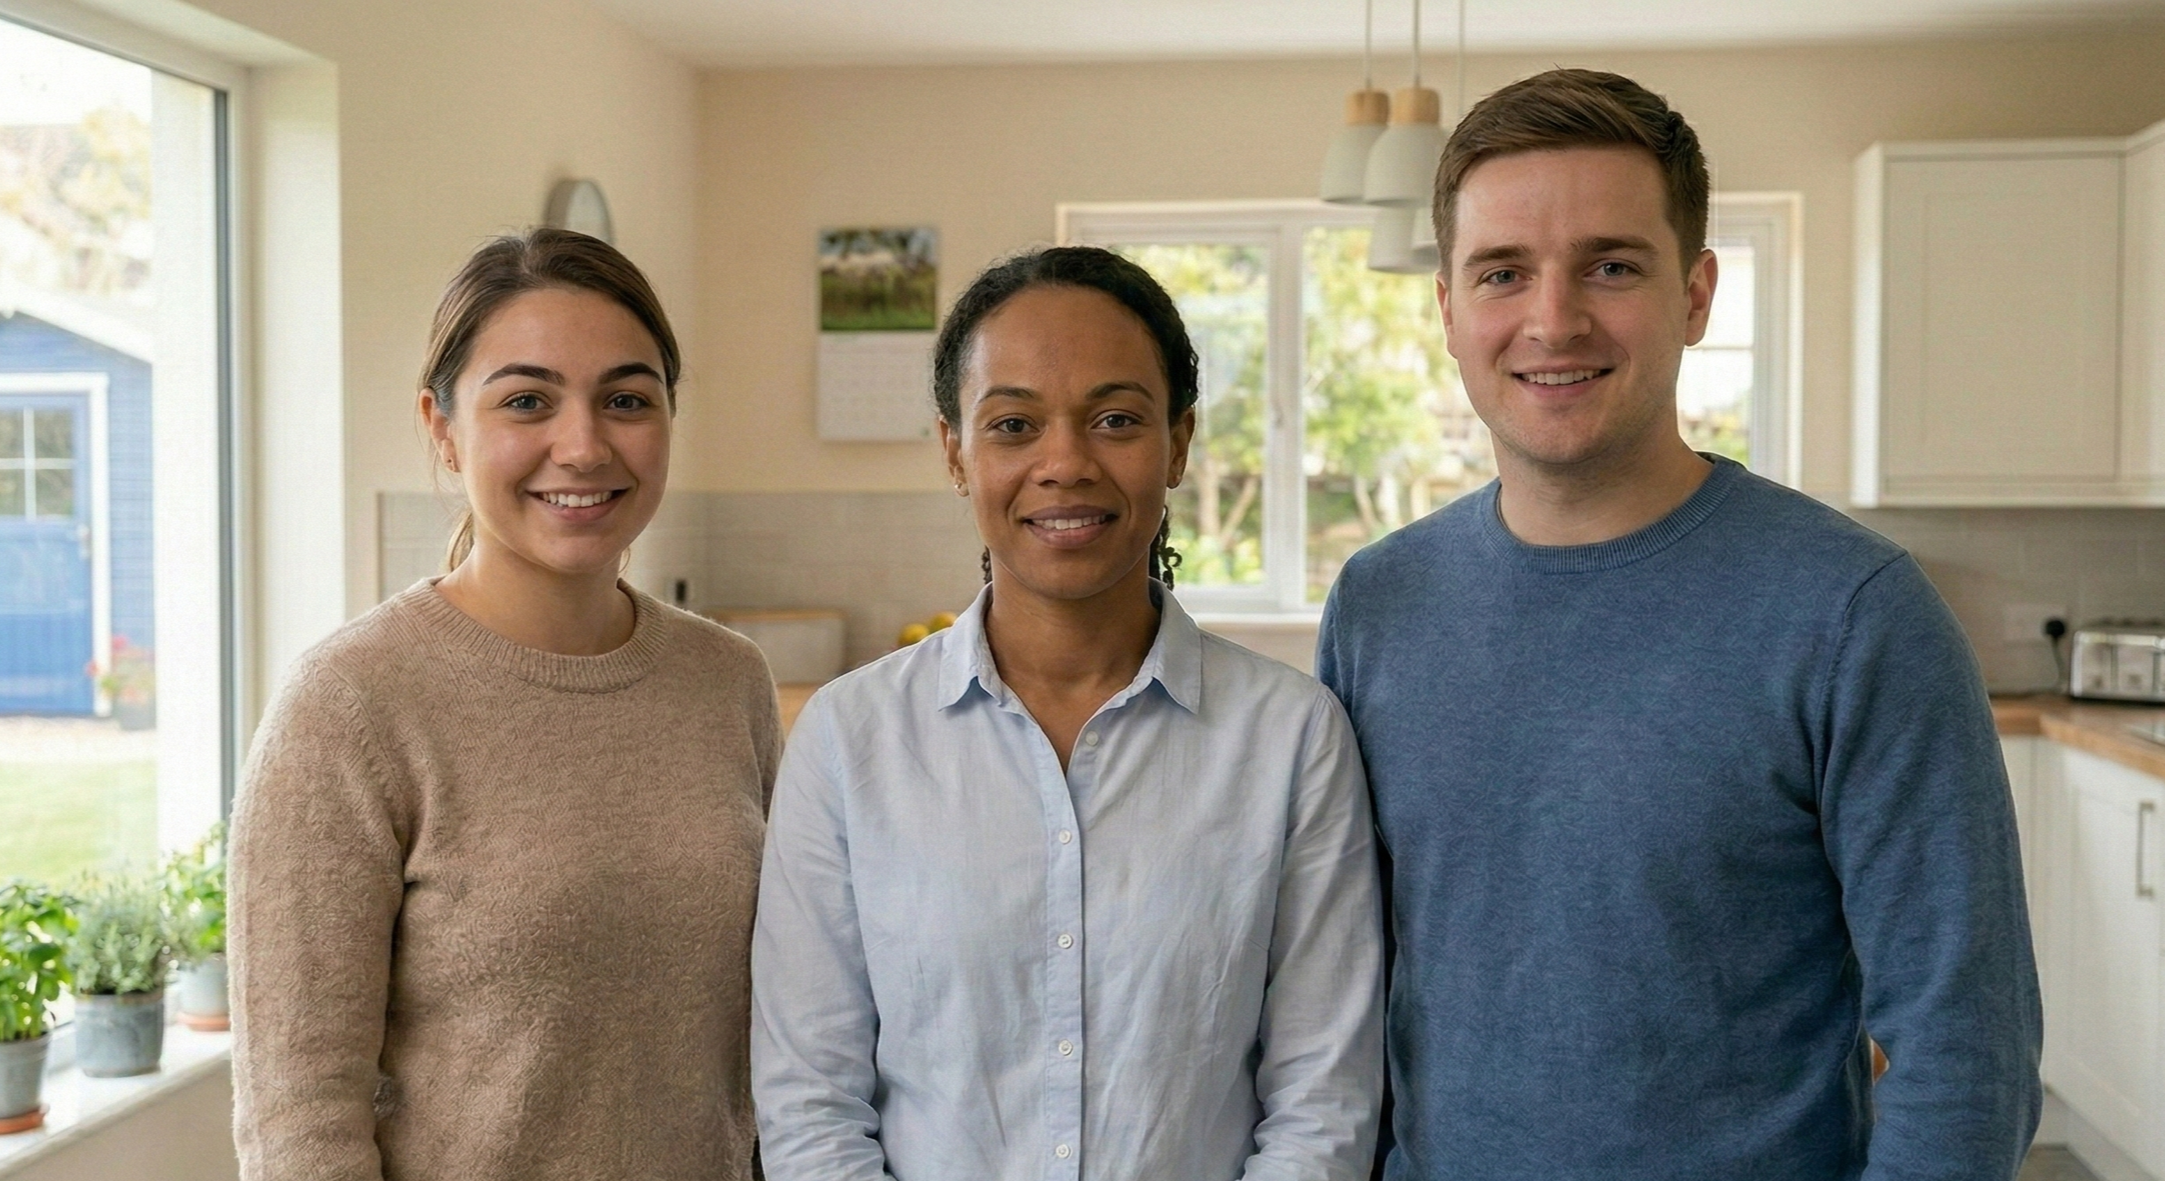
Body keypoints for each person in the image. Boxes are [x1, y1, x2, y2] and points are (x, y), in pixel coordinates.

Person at [1318, 69, 2041, 1180]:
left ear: (1695, 296)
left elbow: (1965, 1042)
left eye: (1610, 266)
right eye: (1502, 272)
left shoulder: (1853, 614)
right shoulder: (1377, 604)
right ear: (1449, 310)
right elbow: (1349, 993)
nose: (1551, 319)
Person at [752, 245, 1385, 1180]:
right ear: (954, 452)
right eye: (1013, 423)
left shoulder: (1290, 738)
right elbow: (810, 1100)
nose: (1064, 463)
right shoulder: (850, 741)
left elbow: (1321, 1098)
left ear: (1177, 443)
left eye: (1116, 419)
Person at [228, 228, 778, 1181]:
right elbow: (299, 1118)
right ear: (442, 427)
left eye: (626, 399)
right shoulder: (351, 703)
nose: (583, 444)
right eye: (527, 400)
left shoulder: (726, 680)